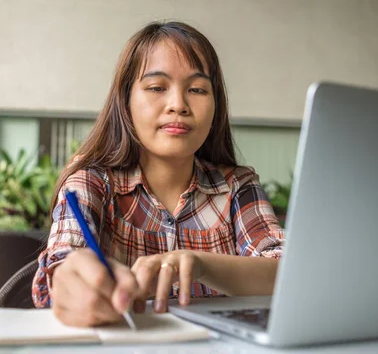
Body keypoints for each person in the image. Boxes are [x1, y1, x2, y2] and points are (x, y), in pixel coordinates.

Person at [32, 21, 285, 327]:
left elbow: (287, 272)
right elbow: (63, 263)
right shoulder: (91, 183)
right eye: (156, 88)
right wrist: (72, 280)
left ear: (216, 105)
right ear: (125, 102)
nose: (178, 105)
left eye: (197, 89)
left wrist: (200, 264)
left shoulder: (237, 187)